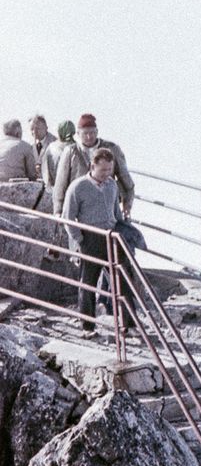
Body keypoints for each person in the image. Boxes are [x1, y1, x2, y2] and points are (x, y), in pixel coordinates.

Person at [63, 147, 121, 331]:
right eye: (103, 170)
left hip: (111, 236)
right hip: (90, 238)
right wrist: (80, 239)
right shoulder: (78, 187)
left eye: (109, 169)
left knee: (122, 280)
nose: (107, 174)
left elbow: (117, 213)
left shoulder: (112, 185)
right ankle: (87, 327)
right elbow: (67, 218)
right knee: (88, 283)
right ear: (92, 166)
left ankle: (127, 323)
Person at [55, 113, 133, 218]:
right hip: (79, 206)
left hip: (106, 206)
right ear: (78, 133)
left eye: (92, 132)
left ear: (97, 132)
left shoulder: (112, 149)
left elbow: (126, 180)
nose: (89, 136)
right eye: (85, 133)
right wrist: (58, 211)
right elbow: (60, 184)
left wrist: (127, 205)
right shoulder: (70, 152)